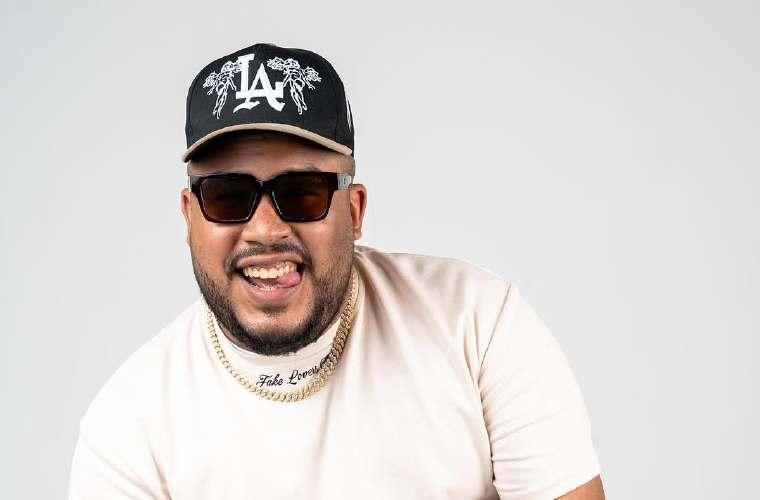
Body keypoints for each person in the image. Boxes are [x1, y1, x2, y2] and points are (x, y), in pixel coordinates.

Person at [69, 42, 605, 499]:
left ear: (354, 210)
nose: (264, 230)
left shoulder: (476, 323)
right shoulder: (129, 427)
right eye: (227, 195)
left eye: (302, 192)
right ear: (190, 218)